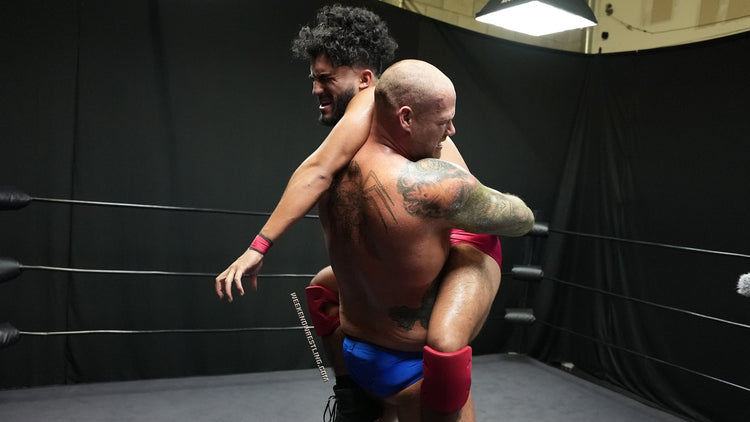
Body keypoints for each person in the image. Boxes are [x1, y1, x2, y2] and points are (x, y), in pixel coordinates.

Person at [214, 5, 528, 421]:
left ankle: (438, 400)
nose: (316, 89)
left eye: (327, 78)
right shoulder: (365, 135)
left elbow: (317, 169)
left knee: (445, 340)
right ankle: (351, 396)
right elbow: (322, 170)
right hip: (433, 228)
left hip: (465, 231)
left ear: (365, 81)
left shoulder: (370, 104)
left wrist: (259, 247)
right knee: (320, 291)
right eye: (314, 79)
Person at [318, 59, 534, 421]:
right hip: (412, 367)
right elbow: (521, 219)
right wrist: (475, 195)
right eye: (443, 122)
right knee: (445, 342)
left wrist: (259, 246)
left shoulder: (329, 168)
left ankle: (347, 396)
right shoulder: (431, 182)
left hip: (362, 356)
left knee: (320, 289)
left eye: (324, 79)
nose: (451, 130)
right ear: (405, 118)